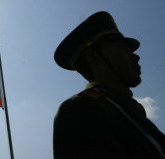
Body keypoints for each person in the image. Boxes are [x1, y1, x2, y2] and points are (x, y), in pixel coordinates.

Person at [53, 11, 165, 159]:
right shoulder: (82, 108)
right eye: (121, 47)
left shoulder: (129, 109)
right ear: (94, 56)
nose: (135, 56)